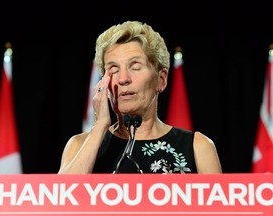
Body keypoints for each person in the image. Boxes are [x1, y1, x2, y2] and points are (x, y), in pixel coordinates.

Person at [58, 20, 222, 174]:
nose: (123, 79)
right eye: (113, 70)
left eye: (135, 67)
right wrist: (99, 126)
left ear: (161, 79)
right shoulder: (79, 146)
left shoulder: (198, 147)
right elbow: (61, 199)